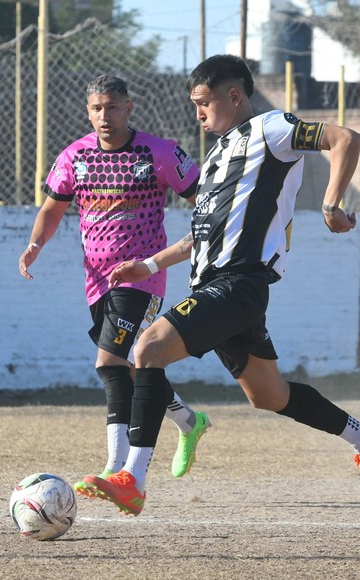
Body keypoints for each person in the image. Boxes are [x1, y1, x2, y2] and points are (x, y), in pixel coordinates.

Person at [86, 54, 360, 516]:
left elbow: (345, 138)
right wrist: (148, 265)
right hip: (217, 287)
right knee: (268, 396)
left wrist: (331, 204)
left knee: (146, 350)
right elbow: (204, 234)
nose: (198, 114)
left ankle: (133, 478)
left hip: (239, 284)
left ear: (234, 96)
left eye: (203, 103)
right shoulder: (215, 160)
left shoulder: (270, 128)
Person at [18, 73, 211, 501]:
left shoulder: (160, 153)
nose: (105, 116)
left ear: (129, 108)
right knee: (131, 367)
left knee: (108, 363)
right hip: (96, 282)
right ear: (88, 112)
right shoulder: (73, 157)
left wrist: (182, 250)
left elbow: (206, 201)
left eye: (113, 107)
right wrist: (35, 244)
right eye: (97, 108)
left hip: (142, 279)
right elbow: (52, 209)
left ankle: (116, 466)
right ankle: (186, 421)